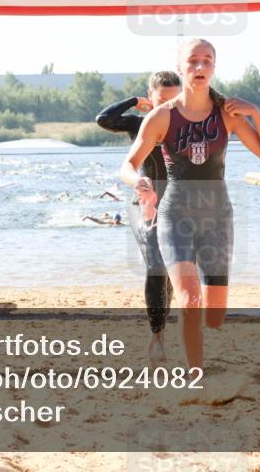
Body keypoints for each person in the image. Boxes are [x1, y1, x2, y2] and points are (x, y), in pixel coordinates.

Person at [120, 38, 260, 371]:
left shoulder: (228, 114)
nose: (200, 67)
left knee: (215, 317)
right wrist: (138, 182)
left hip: (217, 218)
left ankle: (199, 348)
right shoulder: (162, 116)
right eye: (193, 61)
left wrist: (255, 112)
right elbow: (128, 165)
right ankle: (195, 376)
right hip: (174, 216)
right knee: (190, 299)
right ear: (181, 68)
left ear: (214, 68)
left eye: (207, 61)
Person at [96, 71, 181, 361]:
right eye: (162, 99)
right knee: (156, 264)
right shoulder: (139, 123)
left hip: (177, 204)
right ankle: (157, 336)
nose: (167, 106)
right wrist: (133, 101)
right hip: (143, 201)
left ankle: (160, 327)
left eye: (174, 100)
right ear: (150, 97)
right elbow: (104, 120)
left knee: (170, 271)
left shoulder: (186, 124)